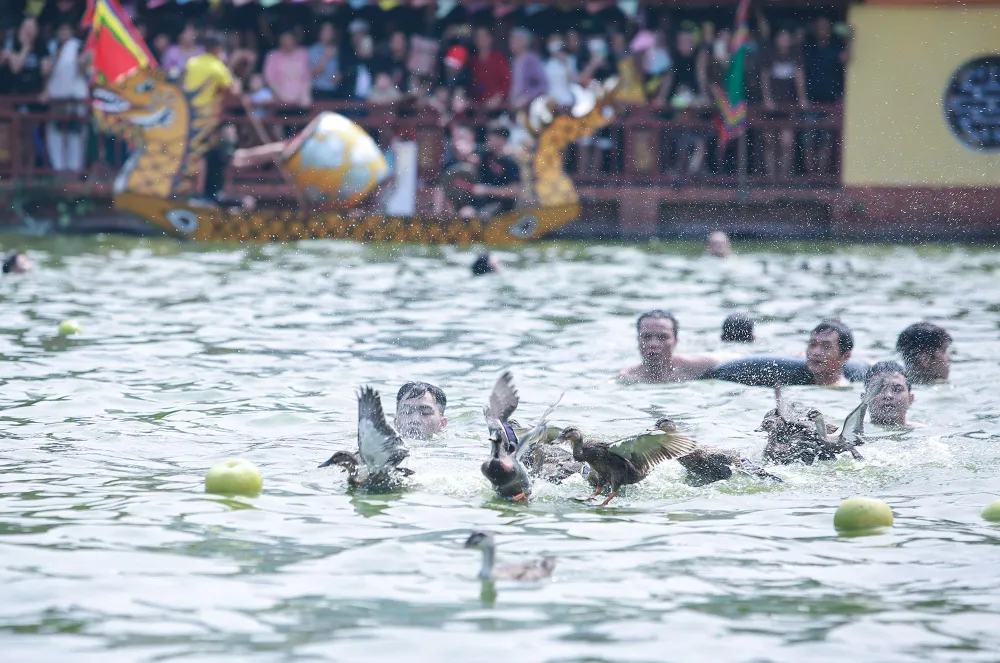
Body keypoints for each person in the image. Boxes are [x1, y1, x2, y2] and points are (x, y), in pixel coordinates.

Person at [708, 319, 867, 386]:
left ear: (846, 356)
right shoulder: (794, 380)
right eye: (812, 344)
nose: (816, 352)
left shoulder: (848, 391)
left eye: (826, 346)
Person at [617, 310, 729, 384]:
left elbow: (739, 360)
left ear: (675, 341)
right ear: (638, 340)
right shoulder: (627, 378)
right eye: (646, 336)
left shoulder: (697, 366)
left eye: (662, 337)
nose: (653, 344)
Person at [41, 22, 89, 174]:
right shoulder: (52, 47)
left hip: (74, 100)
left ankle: (74, 172)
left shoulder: (78, 46)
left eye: (66, 29)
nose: (63, 32)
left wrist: (84, 62)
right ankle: (58, 170)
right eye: (60, 29)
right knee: (56, 136)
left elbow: (85, 69)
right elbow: (48, 75)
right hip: (56, 99)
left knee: (75, 138)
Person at [470, 26, 510, 111]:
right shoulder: (473, 61)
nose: (481, 39)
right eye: (478, 37)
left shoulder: (499, 58)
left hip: (497, 106)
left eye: (484, 36)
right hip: (477, 107)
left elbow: (507, 81)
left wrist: (498, 97)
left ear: (490, 38)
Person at [866, 361, 915, 427]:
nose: (888, 395)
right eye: (878, 390)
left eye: (897, 389)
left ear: (910, 399)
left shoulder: (925, 434)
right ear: (864, 399)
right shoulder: (849, 433)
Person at [508, 27, 547, 110]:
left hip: (528, 106)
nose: (512, 43)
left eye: (515, 40)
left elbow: (542, 85)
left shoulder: (532, 60)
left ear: (524, 42)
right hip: (512, 106)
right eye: (511, 40)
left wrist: (527, 96)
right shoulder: (511, 60)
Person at [309, 22, 341, 102]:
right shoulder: (313, 50)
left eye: (330, 31)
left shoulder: (336, 49)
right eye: (325, 31)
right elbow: (314, 73)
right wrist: (326, 56)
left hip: (333, 90)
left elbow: (337, 72)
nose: (328, 33)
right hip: (319, 90)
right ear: (320, 33)